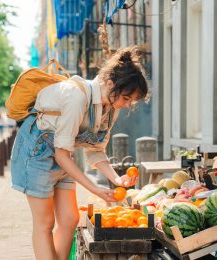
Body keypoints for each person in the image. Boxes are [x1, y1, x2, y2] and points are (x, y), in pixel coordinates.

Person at [10, 46, 149, 260]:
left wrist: (116, 179)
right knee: (45, 222)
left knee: (69, 219)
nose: (128, 104)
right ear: (110, 84)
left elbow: (95, 151)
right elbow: (61, 155)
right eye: (126, 97)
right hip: (36, 151)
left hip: (62, 152)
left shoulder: (111, 108)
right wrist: (94, 188)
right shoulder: (77, 96)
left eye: (132, 101)